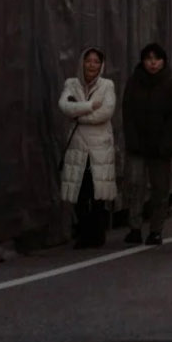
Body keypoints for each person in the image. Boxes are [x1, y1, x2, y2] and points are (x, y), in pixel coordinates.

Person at [121, 42, 172, 247]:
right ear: (143, 61)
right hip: (137, 145)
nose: (153, 63)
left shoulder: (171, 85)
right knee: (135, 185)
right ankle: (135, 227)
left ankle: (156, 229)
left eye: (156, 59)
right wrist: (131, 140)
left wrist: (168, 145)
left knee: (160, 189)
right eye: (149, 59)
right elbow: (127, 114)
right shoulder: (134, 83)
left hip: (160, 148)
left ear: (163, 61)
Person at [59, 47, 117, 248]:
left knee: (98, 192)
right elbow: (64, 106)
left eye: (96, 61)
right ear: (82, 62)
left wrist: (79, 114)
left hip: (99, 148)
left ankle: (97, 233)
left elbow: (106, 112)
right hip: (77, 147)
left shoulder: (107, 85)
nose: (92, 65)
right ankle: (83, 233)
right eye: (88, 61)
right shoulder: (71, 83)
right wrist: (90, 106)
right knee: (79, 193)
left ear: (101, 65)